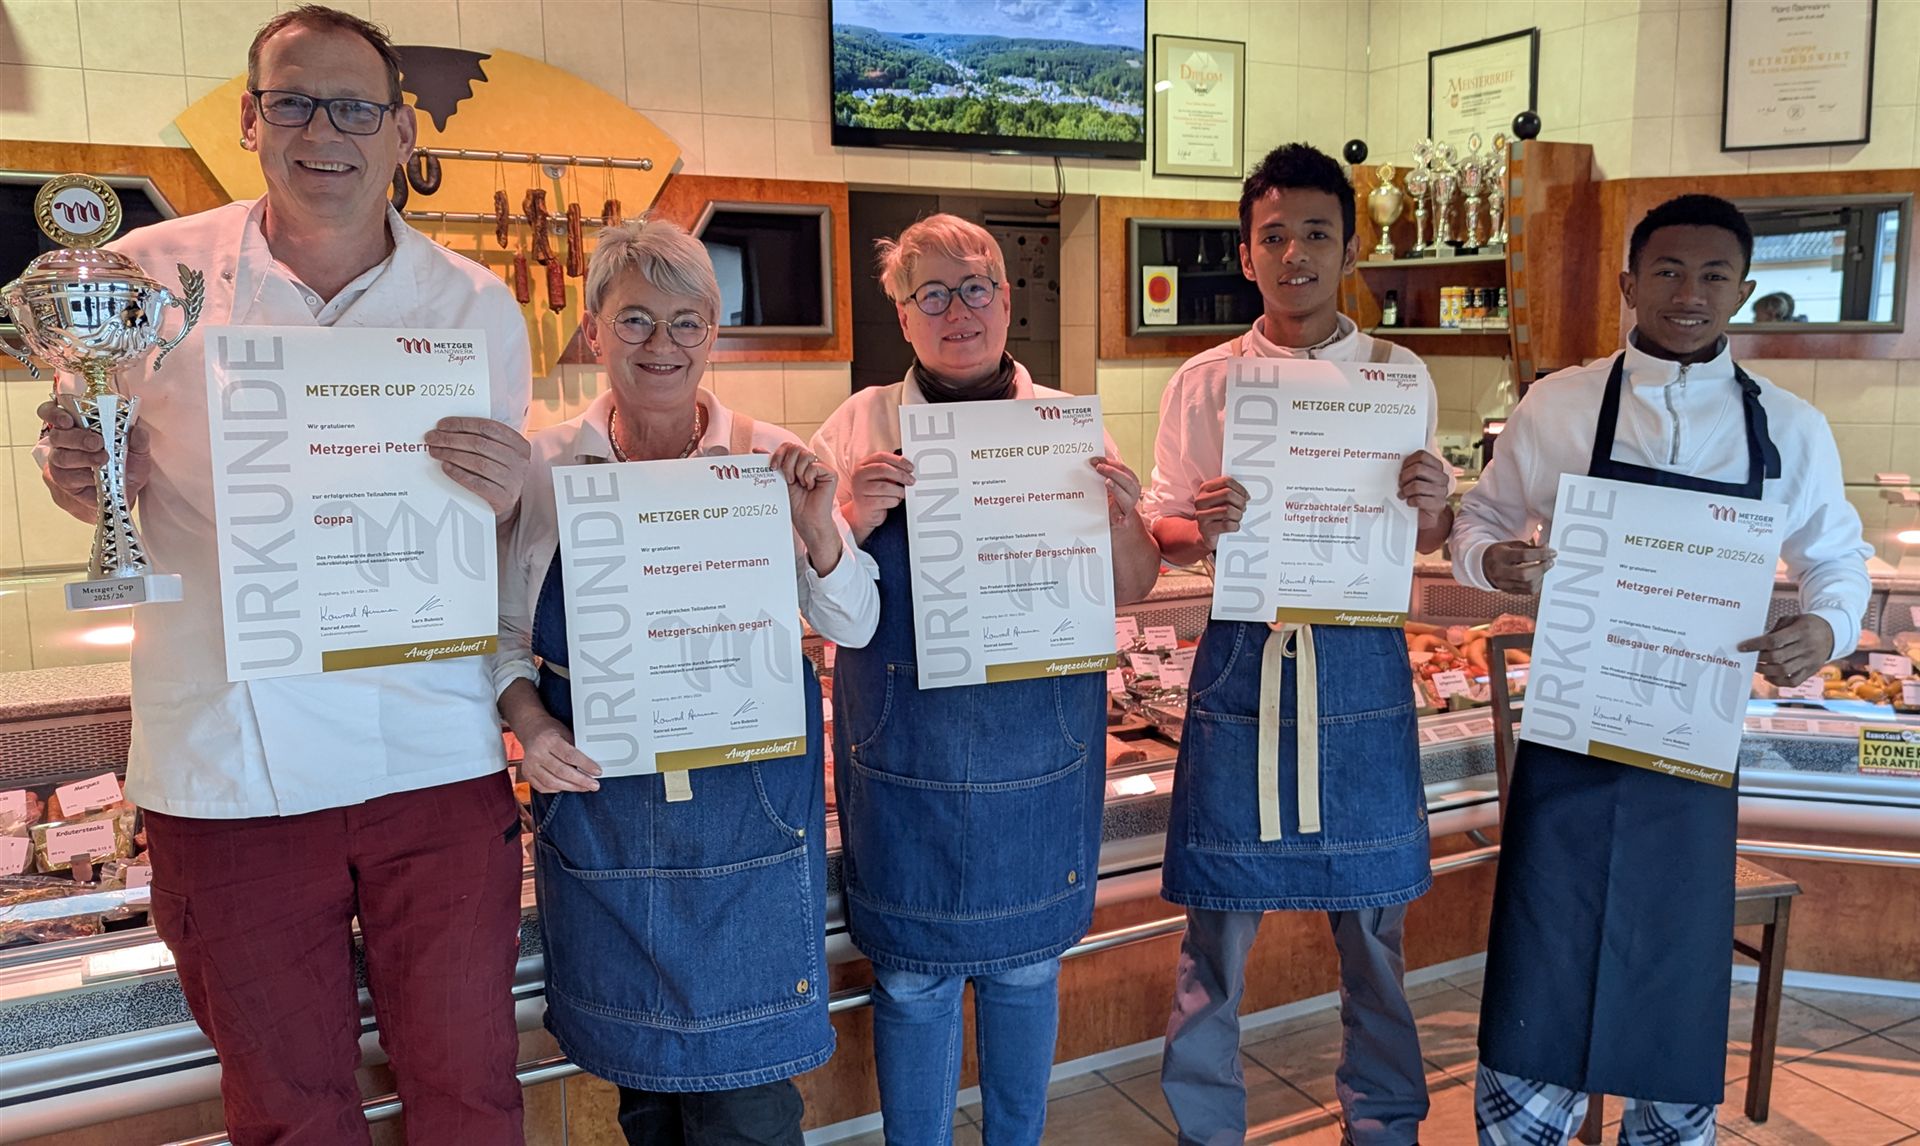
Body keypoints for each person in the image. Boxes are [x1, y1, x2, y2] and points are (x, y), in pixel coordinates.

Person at [33, 7, 534, 1143]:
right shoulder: (150, 277)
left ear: (401, 132)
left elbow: (491, 530)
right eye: (294, 102)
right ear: (251, 121)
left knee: (469, 1089)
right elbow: (98, 483)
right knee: (287, 1110)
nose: (324, 133)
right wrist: (85, 476)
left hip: (431, 751)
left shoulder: (475, 303)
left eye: (355, 108)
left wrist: (509, 491)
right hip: (229, 763)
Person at [1452, 193, 1871, 1146]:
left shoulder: (1792, 428)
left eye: (1714, 275)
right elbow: (1479, 522)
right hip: (1571, 736)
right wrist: (1492, 562)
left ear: (1744, 292)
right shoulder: (1557, 405)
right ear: (1629, 283)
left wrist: (1828, 626)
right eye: (1669, 271)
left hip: (1693, 745)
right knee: (1544, 965)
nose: (1690, 293)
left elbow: (1835, 560)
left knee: (1672, 976)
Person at [495, 219, 878, 1145]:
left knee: (748, 1104)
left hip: (747, 813)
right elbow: (503, 639)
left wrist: (817, 526)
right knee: (646, 1098)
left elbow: (856, 622)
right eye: (635, 320)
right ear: (594, 331)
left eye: (685, 322)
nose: (660, 344)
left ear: (714, 332)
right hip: (605, 812)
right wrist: (532, 727)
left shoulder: (769, 455)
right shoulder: (543, 467)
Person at [810, 213, 1161, 1145]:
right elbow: (824, 610)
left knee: (1027, 970)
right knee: (912, 981)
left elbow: (1130, 588)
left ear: (1006, 301)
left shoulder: (1068, 425)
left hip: (1038, 749)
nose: (956, 310)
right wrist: (849, 517)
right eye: (931, 293)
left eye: (974, 288)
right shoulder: (857, 424)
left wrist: (1123, 519)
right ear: (902, 314)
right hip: (904, 754)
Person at [1140, 142, 1452, 1146]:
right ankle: (1206, 1130)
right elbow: (1162, 529)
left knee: (1374, 929)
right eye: (1273, 236)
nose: (1295, 254)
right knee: (1215, 933)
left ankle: (1386, 1124)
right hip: (1244, 662)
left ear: (1351, 250)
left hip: (1359, 663)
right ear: (1246, 254)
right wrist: (1200, 526)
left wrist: (1435, 504)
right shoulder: (1206, 381)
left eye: (1317, 233)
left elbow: (1427, 533)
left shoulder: (1398, 376)